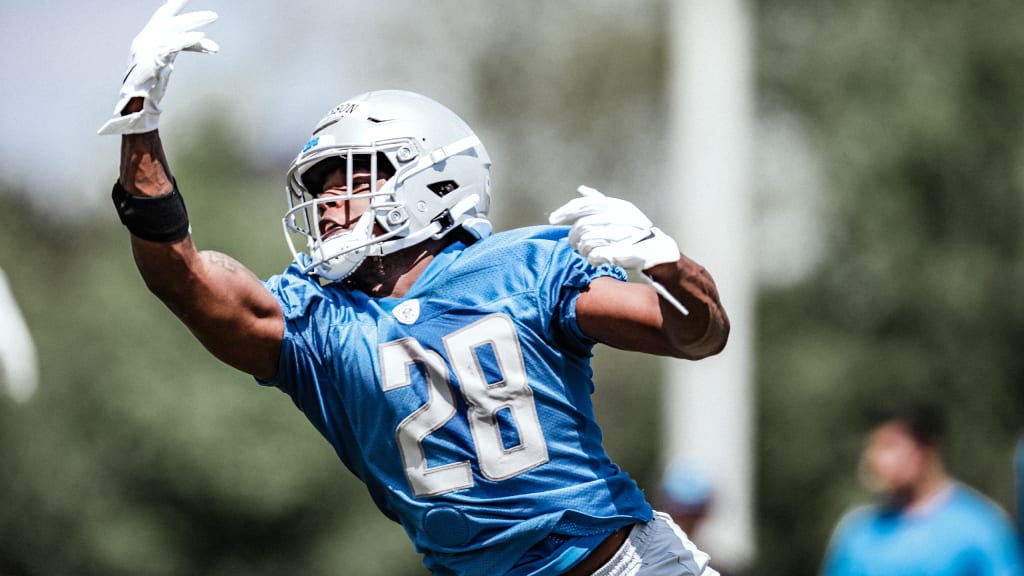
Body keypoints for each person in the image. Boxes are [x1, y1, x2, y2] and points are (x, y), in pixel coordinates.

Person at [98, 2, 730, 575]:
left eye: (351, 178)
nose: (330, 203)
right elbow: (180, 278)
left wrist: (671, 266)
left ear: (435, 179)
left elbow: (696, 335)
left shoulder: (524, 269)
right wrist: (139, 118)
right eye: (320, 188)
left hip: (619, 566)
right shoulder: (321, 325)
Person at [821, 403, 1023, 576]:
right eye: (873, 448)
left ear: (924, 450)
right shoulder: (858, 532)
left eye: (890, 446)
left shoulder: (981, 526)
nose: (877, 459)